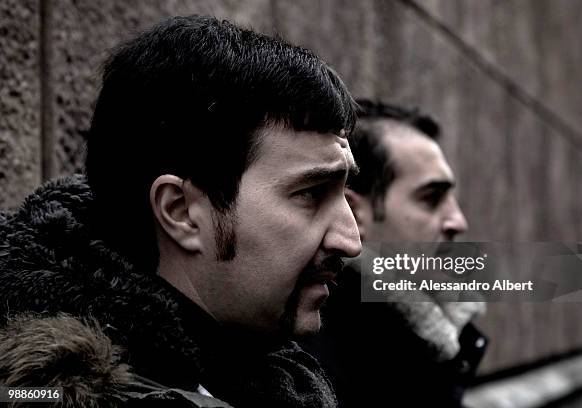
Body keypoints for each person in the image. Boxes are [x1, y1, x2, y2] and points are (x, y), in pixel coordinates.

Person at [0, 15, 362, 408]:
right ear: (181, 211)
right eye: (311, 193)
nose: (351, 240)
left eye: (345, 192)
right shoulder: (45, 393)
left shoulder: (276, 378)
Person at [302, 100, 487, 408]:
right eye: (431, 198)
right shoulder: (319, 365)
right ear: (355, 214)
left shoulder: (425, 345)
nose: (458, 222)